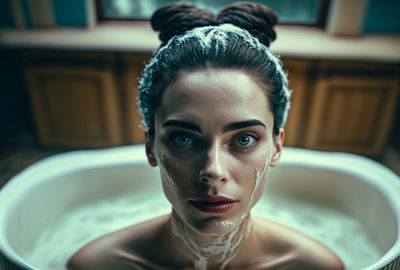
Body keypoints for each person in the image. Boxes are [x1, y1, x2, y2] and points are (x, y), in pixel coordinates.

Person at [67, 2, 344, 269]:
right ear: (150, 148)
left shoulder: (315, 266)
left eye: (244, 139)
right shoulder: (97, 265)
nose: (213, 171)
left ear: (277, 145)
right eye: (183, 139)